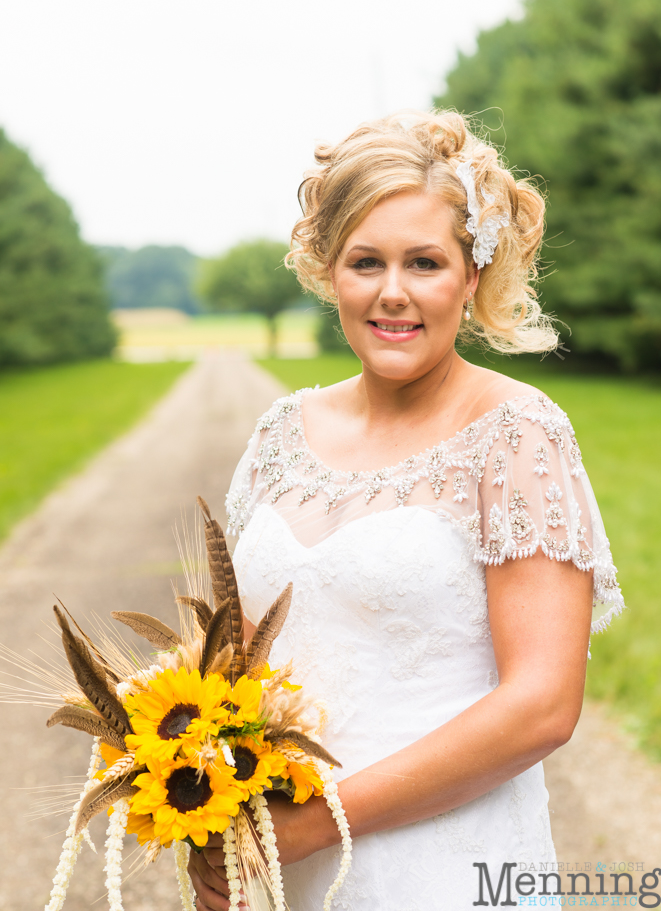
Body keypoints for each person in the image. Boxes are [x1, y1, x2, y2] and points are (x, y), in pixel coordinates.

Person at [188, 110, 624, 910]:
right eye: (366, 262)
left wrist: (321, 823)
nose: (393, 293)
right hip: (281, 871)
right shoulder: (279, 432)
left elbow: (541, 707)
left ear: (470, 274)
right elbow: (236, 674)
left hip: (446, 872)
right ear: (331, 272)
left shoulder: (515, 436)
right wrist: (211, 819)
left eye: (424, 262)